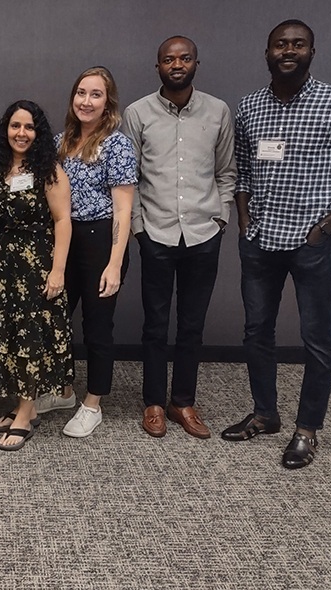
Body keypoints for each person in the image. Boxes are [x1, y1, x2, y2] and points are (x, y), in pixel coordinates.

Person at [223, 19, 331, 469]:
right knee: (257, 331)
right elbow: (242, 170)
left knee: (317, 340)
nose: (288, 50)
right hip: (260, 241)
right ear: (267, 52)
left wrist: (324, 228)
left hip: (313, 245)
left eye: (298, 44)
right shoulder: (250, 106)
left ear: (312, 52)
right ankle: (265, 414)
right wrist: (244, 218)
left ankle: (307, 430)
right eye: (280, 44)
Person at [122, 37, 236, 439]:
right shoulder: (137, 113)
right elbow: (129, 177)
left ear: (196, 64)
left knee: (192, 324)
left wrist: (221, 218)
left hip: (204, 233)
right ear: (157, 66)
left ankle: (182, 402)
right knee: (155, 324)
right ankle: (154, 402)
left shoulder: (218, 111)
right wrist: (138, 227)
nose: (177, 64)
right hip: (156, 232)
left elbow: (226, 172)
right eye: (168, 59)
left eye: (184, 58)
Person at [42, 67, 137, 438]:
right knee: (57, 321)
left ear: (108, 102)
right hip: (65, 241)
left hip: (102, 242)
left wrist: (114, 264)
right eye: (81, 93)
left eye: (96, 94)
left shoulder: (117, 145)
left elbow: (123, 211)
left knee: (97, 327)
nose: (86, 101)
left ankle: (93, 403)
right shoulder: (59, 142)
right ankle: (64, 391)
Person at [0, 100, 73, 451]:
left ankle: (23, 414)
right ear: (5, 129)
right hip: (5, 268)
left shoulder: (49, 170)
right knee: (10, 335)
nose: (22, 133)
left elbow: (62, 220)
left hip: (37, 267)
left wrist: (58, 271)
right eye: (15, 126)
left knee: (31, 339)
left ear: (40, 133)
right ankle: (28, 406)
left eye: (30, 127)